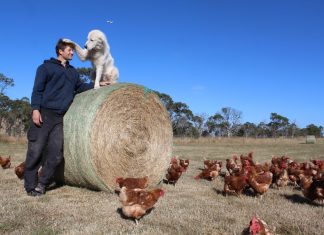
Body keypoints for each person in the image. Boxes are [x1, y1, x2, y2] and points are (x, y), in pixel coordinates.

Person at [24, 39, 106, 196]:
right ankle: (30, 186)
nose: (73, 52)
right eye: (70, 50)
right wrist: (35, 109)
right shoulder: (45, 68)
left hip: (60, 118)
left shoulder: (73, 72)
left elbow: (80, 87)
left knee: (56, 154)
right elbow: (37, 90)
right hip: (44, 114)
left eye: (72, 50)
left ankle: (42, 184)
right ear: (60, 51)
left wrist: (97, 85)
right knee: (35, 151)